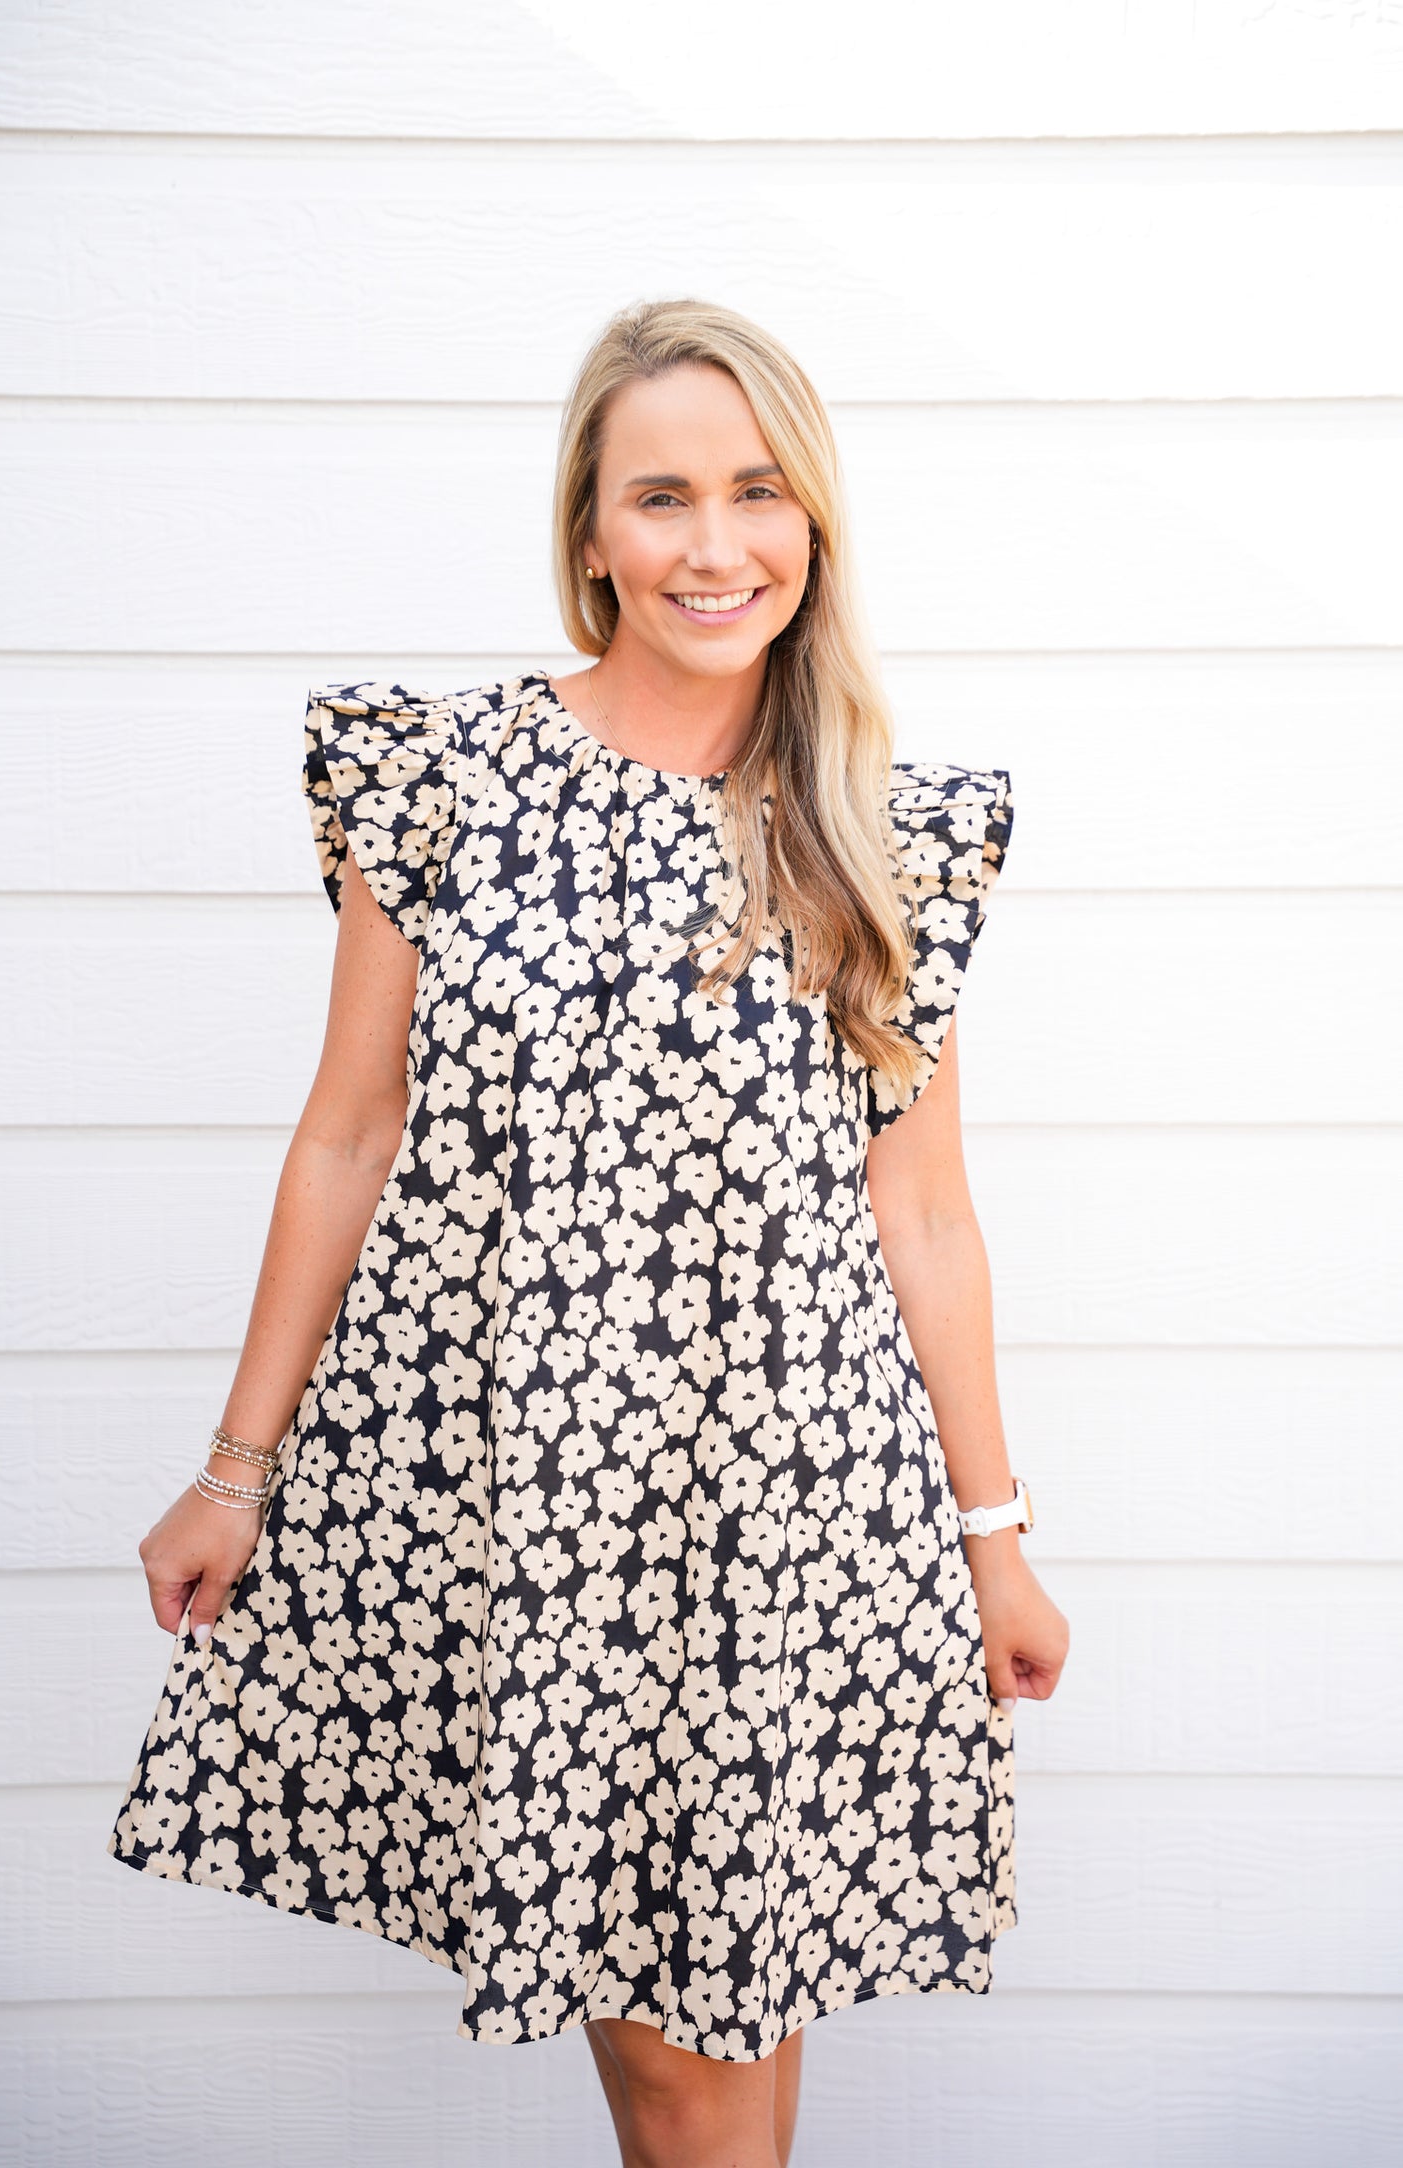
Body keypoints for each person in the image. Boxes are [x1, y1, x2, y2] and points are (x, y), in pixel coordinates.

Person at [109, 297, 1069, 2168]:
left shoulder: (884, 832)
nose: (715, 546)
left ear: (813, 526)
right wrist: (237, 1467)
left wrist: (994, 1543)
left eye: (757, 493)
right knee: (678, 2042)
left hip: (789, 1514)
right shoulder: (444, 778)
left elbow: (925, 1218)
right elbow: (349, 1133)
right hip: (526, 1509)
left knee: (729, 2025)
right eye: (661, 497)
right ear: (588, 533)